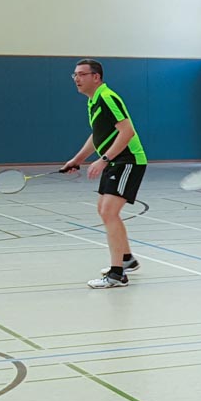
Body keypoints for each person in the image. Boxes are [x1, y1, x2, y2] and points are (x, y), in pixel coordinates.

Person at [62, 59, 147, 289]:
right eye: (75, 75)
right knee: (104, 210)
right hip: (116, 160)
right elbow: (97, 135)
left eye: (81, 74)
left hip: (128, 159)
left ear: (96, 77)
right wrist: (77, 160)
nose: (77, 79)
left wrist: (104, 159)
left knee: (109, 212)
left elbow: (127, 131)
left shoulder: (107, 97)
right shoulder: (94, 101)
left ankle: (117, 274)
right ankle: (126, 259)